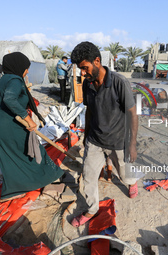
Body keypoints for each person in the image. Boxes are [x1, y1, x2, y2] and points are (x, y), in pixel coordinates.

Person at [70, 41, 138, 227]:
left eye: (84, 68)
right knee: (89, 176)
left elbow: (132, 113)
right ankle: (91, 209)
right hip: (95, 140)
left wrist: (132, 144)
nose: (82, 73)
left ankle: (132, 183)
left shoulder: (119, 83)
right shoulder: (87, 84)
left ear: (97, 61)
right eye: (80, 69)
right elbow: (90, 110)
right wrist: (85, 135)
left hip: (117, 141)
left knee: (124, 174)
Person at [0, 52, 64, 202]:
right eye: (26, 68)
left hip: (0, 124)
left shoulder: (5, 78)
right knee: (32, 151)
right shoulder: (15, 80)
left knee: (12, 158)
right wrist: (28, 119)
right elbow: (10, 99)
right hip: (12, 125)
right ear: (19, 67)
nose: (27, 71)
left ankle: (12, 191)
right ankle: (47, 178)